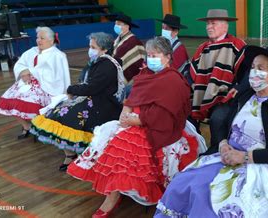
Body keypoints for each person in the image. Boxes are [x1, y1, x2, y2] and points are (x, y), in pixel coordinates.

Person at [155, 45, 268, 217]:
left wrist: (244, 157)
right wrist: (223, 144)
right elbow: (226, 125)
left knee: (214, 201)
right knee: (185, 181)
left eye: (260, 69)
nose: (254, 72)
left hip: (263, 166)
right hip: (229, 156)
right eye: (253, 67)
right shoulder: (246, 96)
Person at [66, 37, 206, 218]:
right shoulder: (145, 74)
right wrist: (125, 113)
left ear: (167, 57)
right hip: (134, 120)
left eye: (154, 55)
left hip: (157, 126)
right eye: (148, 55)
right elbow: (132, 98)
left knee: (126, 148)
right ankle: (114, 193)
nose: (150, 59)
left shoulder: (174, 80)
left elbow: (164, 114)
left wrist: (136, 120)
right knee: (113, 146)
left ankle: (114, 197)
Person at [29, 32, 124, 172]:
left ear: (104, 49)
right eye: (90, 46)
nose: (90, 49)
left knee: (67, 116)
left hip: (104, 105)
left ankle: (76, 153)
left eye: (93, 47)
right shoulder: (101, 61)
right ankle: (70, 153)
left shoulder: (107, 65)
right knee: (59, 110)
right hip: (94, 98)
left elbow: (92, 87)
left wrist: (71, 89)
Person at [0, 26, 70, 139]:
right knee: (9, 100)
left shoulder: (58, 55)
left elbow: (58, 75)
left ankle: (39, 127)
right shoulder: (32, 51)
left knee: (29, 103)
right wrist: (22, 72)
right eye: (37, 38)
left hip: (46, 87)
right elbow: (20, 64)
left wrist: (31, 71)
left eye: (42, 38)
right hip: (26, 83)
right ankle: (26, 126)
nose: (38, 40)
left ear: (51, 40)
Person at [189, 9, 246, 150]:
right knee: (184, 111)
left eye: (213, 23)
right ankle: (196, 145)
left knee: (218, 118)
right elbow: (191, 72)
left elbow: (246, 74)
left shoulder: (237, 45)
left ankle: (216, 149)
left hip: (227, 97)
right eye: (207, 24)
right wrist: (190, 85)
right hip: (202, 96)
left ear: (225, 25)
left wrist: (236, 88)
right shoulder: (202, 48)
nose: (209, 27)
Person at [112, 13, 145, 88]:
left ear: (127, 26)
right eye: (115, 23)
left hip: (130, 79)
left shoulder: (133, 41)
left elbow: (137, 62)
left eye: (118, 24)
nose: (116, 26)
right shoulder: (117, 40)